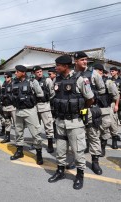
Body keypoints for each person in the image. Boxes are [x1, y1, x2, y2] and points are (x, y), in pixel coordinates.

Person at [48, 55, 94, 190]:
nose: (56, 68)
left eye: (58, 66)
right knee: (60, 150)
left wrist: (79, 109)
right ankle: (60, 171)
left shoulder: (81, 79)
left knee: (78, 151)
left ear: (66, 66)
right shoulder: (57, 80)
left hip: (75, 122)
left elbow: (90, 99)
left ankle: (80, 175)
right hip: (60, 121)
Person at [74, 51, 105, 175]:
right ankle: (76, 160)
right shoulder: (72, 74)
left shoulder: (93, 73)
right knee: (77, 136)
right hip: (78, 110)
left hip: (90, 109)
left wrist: (91, 95)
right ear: (75, 61)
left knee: (93, 135)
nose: (85, 62)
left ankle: (95, 161)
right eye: (82, 60)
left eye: (85, 59)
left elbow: (102, 89)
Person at [10, 65, 44, 165]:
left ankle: (39, 154)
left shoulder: (32, 82)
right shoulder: (14, 83)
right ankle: (19, 151)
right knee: (18, 132)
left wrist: (31, 100)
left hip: (30, 110)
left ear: (23, 73)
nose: (15, 73)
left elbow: (40, 94)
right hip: (18, 110)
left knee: (35, 133)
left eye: (17, 72)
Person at [94, 64, 120, 152]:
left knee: (111, 124)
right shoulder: (90, 81)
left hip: (108, 105)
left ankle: (113, 141)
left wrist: (116, 105)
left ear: (101, 71)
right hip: (95, 107)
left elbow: (116, 95)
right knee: (94, 128)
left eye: (96, 71)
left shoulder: (108, 82)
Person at [33, 65, 55, 153]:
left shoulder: (47, 80)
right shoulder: (32, 81)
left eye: (40, 72)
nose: (39, 73)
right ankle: (37, 143)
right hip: (35, 107)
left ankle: (50, 144)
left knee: (48, 126)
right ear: (34, 73)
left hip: (45, 106)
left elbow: (52, 93)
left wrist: (47, 101)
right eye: (37, 72)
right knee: (35, 126)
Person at [0, 71, 16, 143]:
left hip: (12, 106)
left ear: (10, 77)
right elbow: (1, 94)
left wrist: (9, 96)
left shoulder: (14, 83)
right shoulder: (4, 84)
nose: (6, 78)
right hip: (5, 106)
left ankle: (18, 138)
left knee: (16, 123)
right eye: (5, 77)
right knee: (7, 122)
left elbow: (16, 94)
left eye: (7, 77)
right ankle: (7, 137)